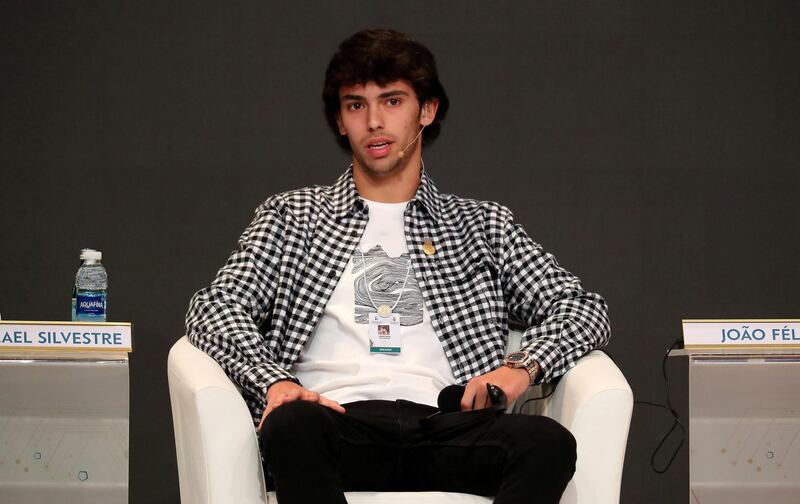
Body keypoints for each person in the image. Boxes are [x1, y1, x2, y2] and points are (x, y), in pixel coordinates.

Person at [185, 28, 610, 504]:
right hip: (335, 423)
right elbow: (215, 307)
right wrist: (276, 382)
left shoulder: (482, 226)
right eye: (355, 105)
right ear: (341, 122)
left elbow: (581, 308)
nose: (373, 122)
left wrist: (520, 368)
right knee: (291, 427)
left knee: (547, 444)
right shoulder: (293, 217)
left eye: (391, 101)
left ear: (426, 110)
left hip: (444, 428)